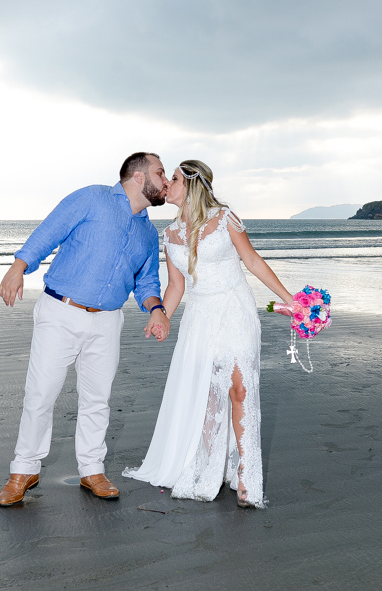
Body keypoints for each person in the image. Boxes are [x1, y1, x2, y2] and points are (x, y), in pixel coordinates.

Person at [0, 152, 172, 507]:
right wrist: (19, 267)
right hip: (61, 311)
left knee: (97, 399)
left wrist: (157, 310)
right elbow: (50, 231)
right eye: (160, 172)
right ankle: (23, 470)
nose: (166, 181)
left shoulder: (148, 232)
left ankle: (92, 469)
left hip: (108, 320)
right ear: (139, 177)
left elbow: (147, 280)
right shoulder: (92, 198)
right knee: (41, 394)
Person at [123, 160, 293, 508]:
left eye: (173, 179)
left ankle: (247, 472)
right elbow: (175, 285)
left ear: (191, 184)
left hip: (235, 308)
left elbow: (253, 261)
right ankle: (210, 470)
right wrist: (161, 316)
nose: (167, 184)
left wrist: (289, 299)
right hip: (200, 317)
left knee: (240, 388)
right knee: (211, 396)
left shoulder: (225, 218)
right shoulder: (170, 235)